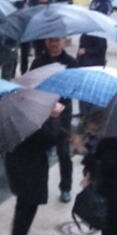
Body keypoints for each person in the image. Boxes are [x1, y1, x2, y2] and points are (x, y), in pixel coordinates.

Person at [5, 105, 63, 235]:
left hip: (22, 164)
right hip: (28, 167)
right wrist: (54, 118)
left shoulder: (21, 112)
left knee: (25, 205)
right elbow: (49, 138)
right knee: (27, 205)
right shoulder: (28, 118)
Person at [31, 37, 78, 202]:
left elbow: (74, 88)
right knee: (40, 153)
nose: (54, 44)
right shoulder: (39, 62)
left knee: (64, 153)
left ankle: (66, 187)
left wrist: (60, 105)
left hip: (63, 113)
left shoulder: (71, 63)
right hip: (43, 112)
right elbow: (32, 86)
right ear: (45, 42)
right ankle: (38, 186)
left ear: (64, 41)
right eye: (51, 40)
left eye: (57, 40)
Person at [77, 0, 112, 67]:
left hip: (95, 62)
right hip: (84, 61)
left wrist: (86, 51)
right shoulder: (94, 1)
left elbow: (101, 49)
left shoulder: (107, 2)